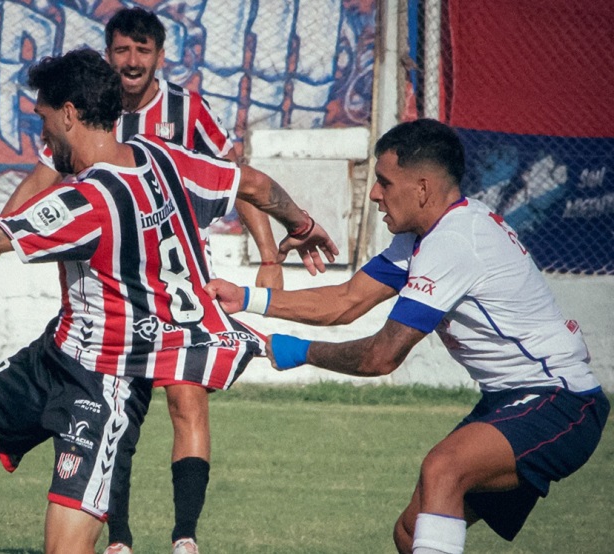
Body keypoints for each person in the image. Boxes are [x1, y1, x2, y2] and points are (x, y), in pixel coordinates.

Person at [0, 48, 337, 554]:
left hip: (106, 381)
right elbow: (256, 184)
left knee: (65, 548)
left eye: (43, 121)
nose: (41, 137)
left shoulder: (87, 203)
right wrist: (302, 226)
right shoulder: (164, 158)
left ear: (68, 114)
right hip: (51, 358)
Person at [0, 9, 282, 554]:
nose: (131, 61)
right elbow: (42, 177)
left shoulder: (184, 109)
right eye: (121, 50)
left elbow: (238, 175)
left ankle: (184, 536)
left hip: (173, 286)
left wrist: (268, 252)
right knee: (114, 406)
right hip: (110, 295)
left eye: (142, 51)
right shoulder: (91, 114)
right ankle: (118, 538)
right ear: (109, 56)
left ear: (158, 57)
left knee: (184, 401)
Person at [206, 119, 610, 554]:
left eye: (384, 181)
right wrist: (245, 297)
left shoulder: (455, 241)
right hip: (512, 401)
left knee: (443, 468)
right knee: (410, 533)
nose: (375, 193)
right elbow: (346, 300)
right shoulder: (424, 237)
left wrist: (301, 351)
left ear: (422, 188)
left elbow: (381, 356)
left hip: (560, 401)